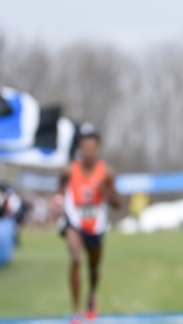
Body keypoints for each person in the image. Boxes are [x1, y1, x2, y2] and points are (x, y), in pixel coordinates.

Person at [57, 132, 121, 323]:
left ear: (98, 150)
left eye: (92, 148)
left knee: (93, 267)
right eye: (85, 148)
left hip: (96, 224)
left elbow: (117, 203)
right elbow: (59, 189)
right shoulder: (69, 171)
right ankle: (76, 311)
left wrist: (106, 191)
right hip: (74, 222)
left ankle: (91, 297)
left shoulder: (106, 173)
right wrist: (58, 201)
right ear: (79, 149)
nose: (89, 152)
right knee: (76, 259)